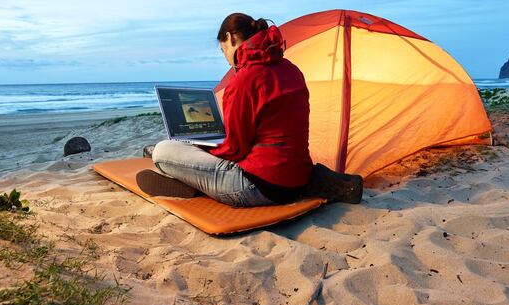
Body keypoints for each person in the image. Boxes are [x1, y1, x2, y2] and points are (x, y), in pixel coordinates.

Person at [136, 13, 362, 206]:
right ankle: (191, 175)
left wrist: (203, 149)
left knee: (163, 150)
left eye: (223, 49)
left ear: (230, 37)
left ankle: (191, 182)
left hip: (258, 186)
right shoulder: (291, 69)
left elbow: (235, 150)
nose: (225, 57)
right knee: (189, 149)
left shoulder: (244, 79)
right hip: (298, 178)